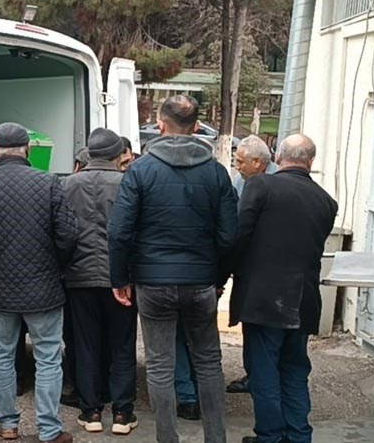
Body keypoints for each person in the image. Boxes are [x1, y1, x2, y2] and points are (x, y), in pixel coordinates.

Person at [109, 95, 237, 443]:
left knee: (160, 365)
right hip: (200, 281)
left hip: (153, 282)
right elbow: (229, 236)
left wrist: (120, 278)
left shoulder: (140, 171)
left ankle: (168, 438)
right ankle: (216, 438)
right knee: (208, 363)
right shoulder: (216, 172)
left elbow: (119, 232)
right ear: (196, 127)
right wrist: (218, 279)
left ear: (160, 125)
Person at [0, 122, 78, 443]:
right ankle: (49, 429)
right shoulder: (49, 183)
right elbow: (68, 235)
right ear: (28, 148)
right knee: (48, 357)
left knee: (1, 357)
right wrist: (58, 268)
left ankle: (8, 425)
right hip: (44, 288)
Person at [227, 134, 338, 443]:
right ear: (311, 161)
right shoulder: (326, 201)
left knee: (264, 372)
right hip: (304, 299)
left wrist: (222, 275)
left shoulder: (260, 186)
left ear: (277, 157)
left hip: (263, 299)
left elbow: (239, 236)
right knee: (295, 371)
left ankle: (270, 437)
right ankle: (299, 435)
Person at [62, 128, 138, 435]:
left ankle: (90, 411)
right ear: (118, 155)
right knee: (122, 345)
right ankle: (122, 413)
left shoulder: (68, 184)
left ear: (89, 153)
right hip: (121, 279)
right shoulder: (128, 183)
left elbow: (62, 231)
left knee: (86, 344)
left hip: (78, 277)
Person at [227, 135, 277, 395]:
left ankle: (265, 379)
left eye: (240, 162)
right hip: (248, 268)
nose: (237, 167)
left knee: (270, 330)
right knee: (250, 323)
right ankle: (253, 375)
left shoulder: (278, 181)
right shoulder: (241, 181)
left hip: (273, 266)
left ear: (258, 162)